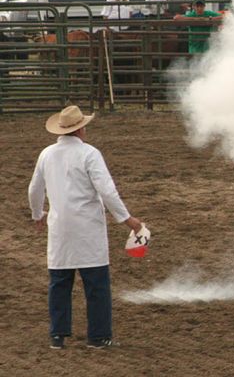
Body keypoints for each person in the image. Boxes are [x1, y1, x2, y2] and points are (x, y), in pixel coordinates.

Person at [28, 105, 144, 350]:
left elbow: (34, 189)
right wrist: (127, 219)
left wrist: (37, 214)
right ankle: (98, 336)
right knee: (96, 284)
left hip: (60, 228)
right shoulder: (90, 154)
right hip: (87, 228)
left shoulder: (46, 154)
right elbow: (107, 190)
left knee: (59, 281)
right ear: (80, 128)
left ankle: (57, 336)